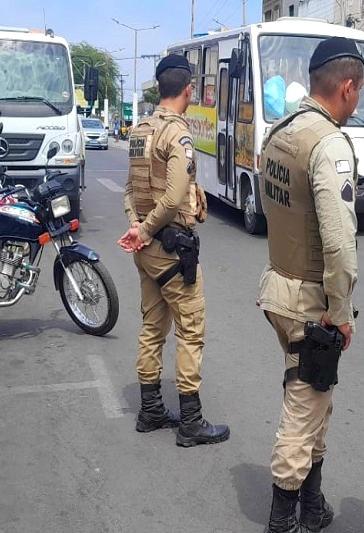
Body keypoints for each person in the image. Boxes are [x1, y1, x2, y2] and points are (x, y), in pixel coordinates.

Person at [257, 36, 363, 533]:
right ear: (347, 88)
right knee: (303, 411)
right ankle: (283, 520)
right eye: (359, 91)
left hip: (277, 285)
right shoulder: (329, 144)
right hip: (311, 306)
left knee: (316, 395)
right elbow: (340, 246)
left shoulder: (280, 132)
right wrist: (341, 314)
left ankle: (312, 505)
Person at [118, 54, 229, 448]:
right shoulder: (178, 134)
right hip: (170, 248)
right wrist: (147, 229)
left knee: (153, 326)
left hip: (147, 251)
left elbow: (129, 190)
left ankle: (150, 411)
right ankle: (191, 421)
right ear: (189, 89)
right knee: (191, 330)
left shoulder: (139, 130)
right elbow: (174, 195)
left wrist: (137, 227)